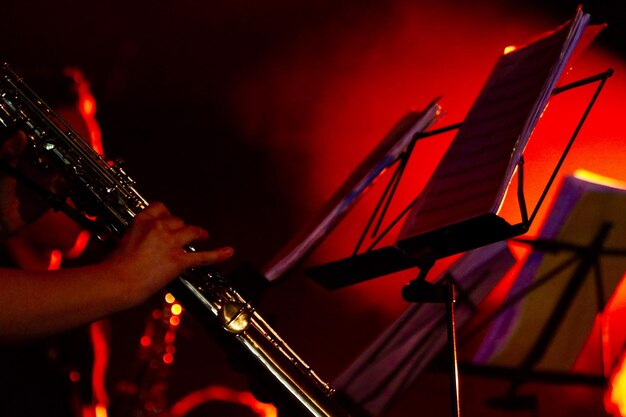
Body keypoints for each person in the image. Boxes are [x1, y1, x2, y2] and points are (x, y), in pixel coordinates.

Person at [0, 69, 234, 341]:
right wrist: (126, 278)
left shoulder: (83, 322)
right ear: (12, 153)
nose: (76, 183)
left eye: (91, 163)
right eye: (59, 158)